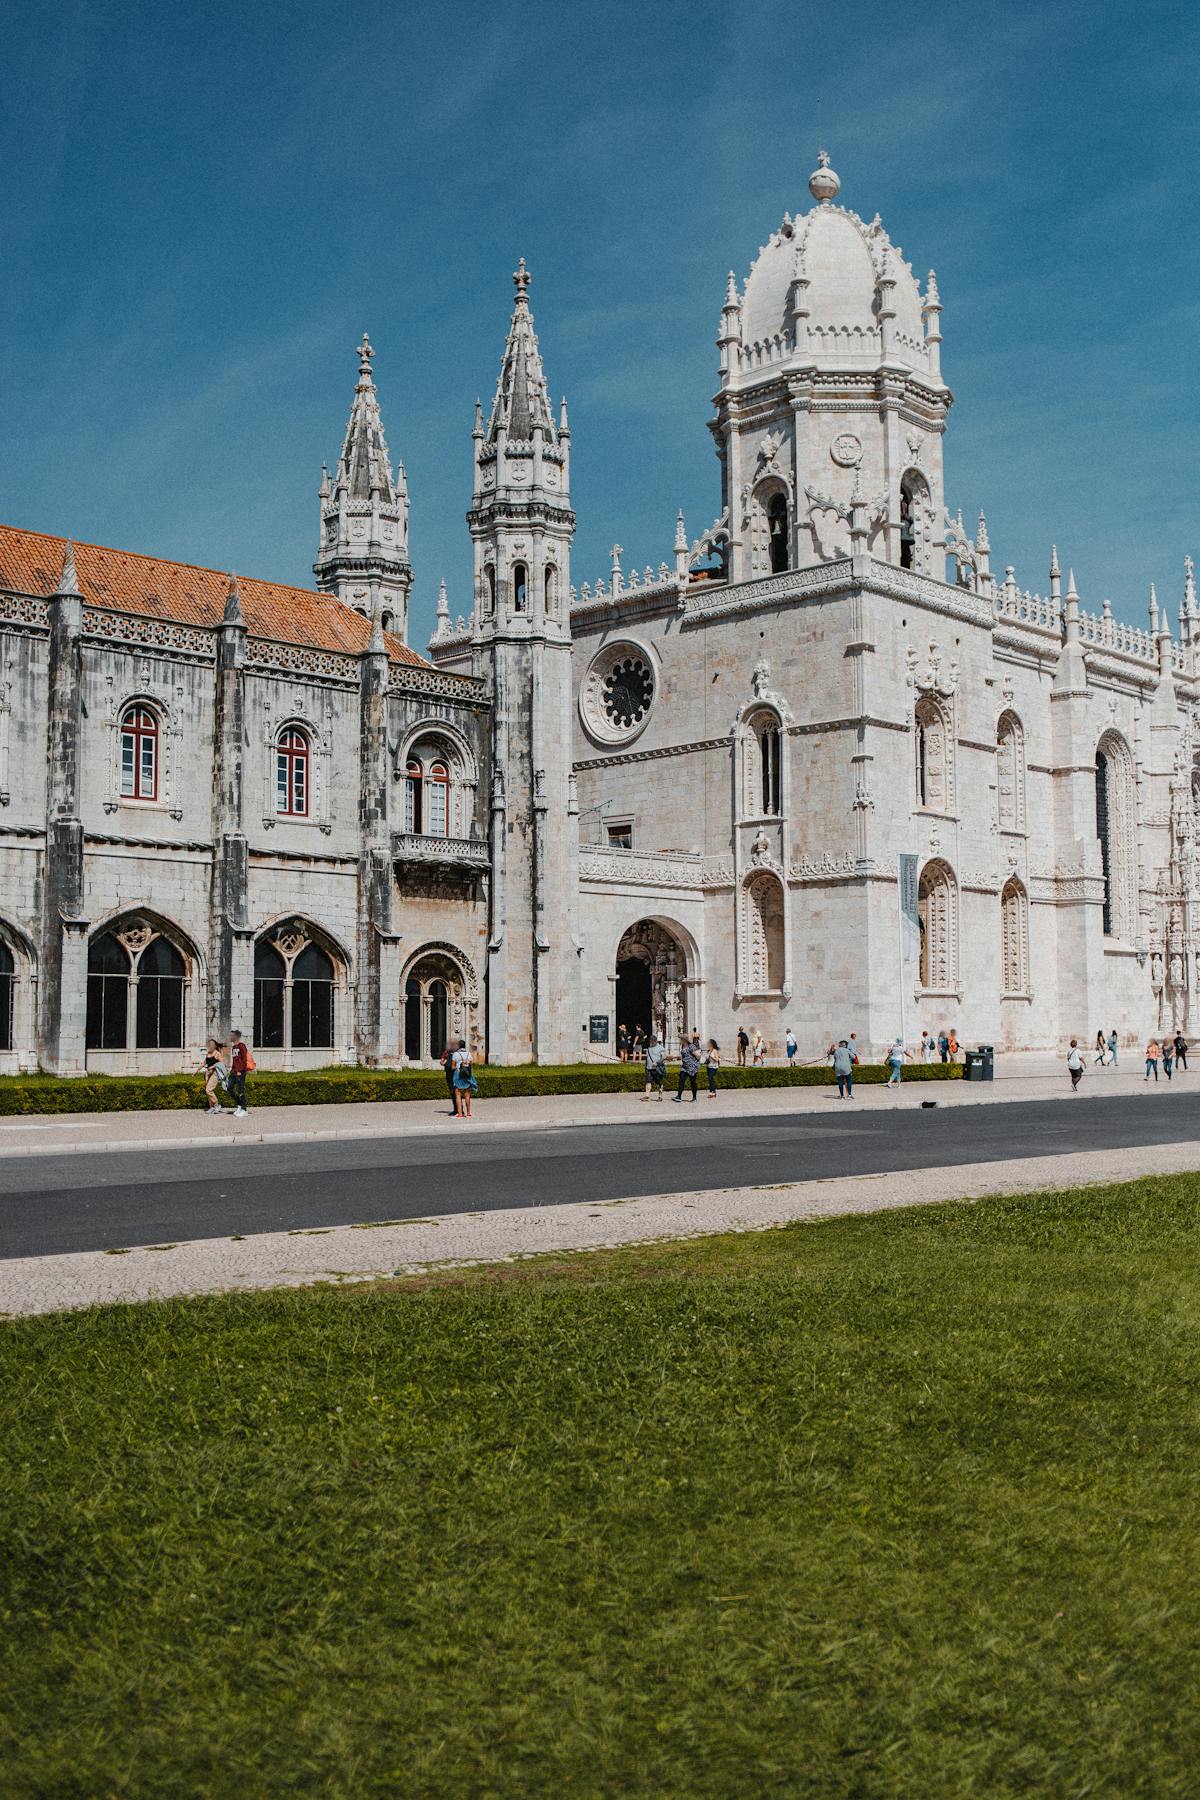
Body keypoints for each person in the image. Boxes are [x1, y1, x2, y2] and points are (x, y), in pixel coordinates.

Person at [202, 1038, 228, 1115]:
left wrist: (213, 1067)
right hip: (208, 1073)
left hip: (215, 1073)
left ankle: (217, 1104)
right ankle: (211, 1107)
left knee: (208, 1090)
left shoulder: (218, 1054)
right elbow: (203, 1063)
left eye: (212, 1044)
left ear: (215, 1046)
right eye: (209, 1044)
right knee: (208, 1091)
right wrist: (196, 1071)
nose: (210, 1045)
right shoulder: (208, 1053)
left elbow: (222, 1064)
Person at [228, 1030, 251, 1116]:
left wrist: (240, 1071)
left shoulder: (242, 1046)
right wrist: (232, 1069)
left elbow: (244, 1060)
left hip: (240, 1072)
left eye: (231, 1035)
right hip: (234, 1072)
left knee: (240, 1091)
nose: (230, 1037)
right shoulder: (233, 1047)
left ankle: (244, 1110)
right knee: (229, 1088)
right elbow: (235, 1061)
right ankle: (240, 1105)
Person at [675, 1034, 702, 1102]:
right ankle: (679, 1096)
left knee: (693, 1082)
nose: (680, 1040)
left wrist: (696, 1061)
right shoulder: (682, 1046)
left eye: (681, 1039)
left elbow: (698, 1055)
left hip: (692, 1067)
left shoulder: (691, 1046)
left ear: (684, 1040)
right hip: (684, 1067)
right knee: (681, 1080)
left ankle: (694, 1098)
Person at [451, 1038, 474, 1118]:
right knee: (467, 1094)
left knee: (458, 1094)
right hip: (467, 1075)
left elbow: (453, 1067)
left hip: (458, 1075)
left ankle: (460, 1114)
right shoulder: (469, 1054)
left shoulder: (456, 1054)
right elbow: (471, 1065)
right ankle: (468, 1113)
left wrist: (458, 1067)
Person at [642, 1033, 666, 1100]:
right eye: (650, 1041)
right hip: (649, 1068)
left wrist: (657, 1063)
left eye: (652, 1041)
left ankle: (660, 1096)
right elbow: (647, 1058)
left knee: (659, 1083)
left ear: (655, 1041)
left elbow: (664, 1058)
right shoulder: (649, 1048)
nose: (651, 1042)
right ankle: (647, 1096)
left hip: (657, 1068)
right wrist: (646, 1066)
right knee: (648, 1082)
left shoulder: (661, 1048)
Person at [438, 1039, 457, 1114]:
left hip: (450, 1073)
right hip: (455, 1073)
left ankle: (457, 1109)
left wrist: (445, 1064)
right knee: (455, 1092)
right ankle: (457, 1109)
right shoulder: (457, 1053)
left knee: (453, 1092)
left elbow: (441, 1062)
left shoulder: (447, 1052)